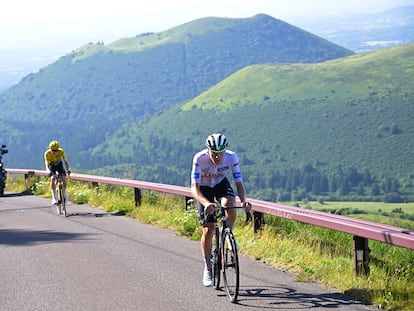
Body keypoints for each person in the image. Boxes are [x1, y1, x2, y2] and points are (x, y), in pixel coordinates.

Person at [191, 133, 252, 287]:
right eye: (214, 153)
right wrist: (206, 203)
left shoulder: (232, 157)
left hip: (220, 184)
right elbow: (194, 188)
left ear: (225, 151)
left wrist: (244, 201)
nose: (218, 157)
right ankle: (208, 268)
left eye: (221, 153)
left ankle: (228, 234)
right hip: (203, 189)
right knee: (209, 229)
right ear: (208, 150)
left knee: (230, 203)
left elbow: (239, 183)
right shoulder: (199, 159)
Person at [44, 140, 71, 205]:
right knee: (53, 178)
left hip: (59, 164)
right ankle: (54, 198)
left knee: (64, 178)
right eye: (53, 150)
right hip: (51, 165)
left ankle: (64, 194)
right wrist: (49, 171)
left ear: (58, 149)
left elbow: (66, 161)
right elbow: (47, 164)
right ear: (50, 149)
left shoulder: (61, 151)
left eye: (56, 150)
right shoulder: (47, 153)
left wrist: (67, 169)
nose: (54, 152)